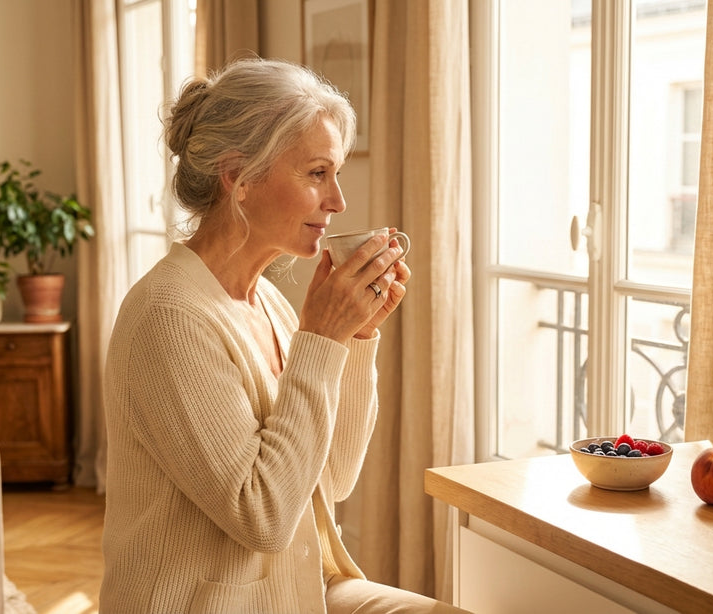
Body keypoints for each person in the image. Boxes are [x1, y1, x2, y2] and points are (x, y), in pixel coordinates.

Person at [100, 57, 470, 614]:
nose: (338, 201)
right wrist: (320, 339)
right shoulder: (168, 317)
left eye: (335, 174)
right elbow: (265, 517)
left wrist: (356, 334)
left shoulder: (267, 301)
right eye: (317, 173)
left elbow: (332, 477)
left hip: (298, 592)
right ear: (239, 178)